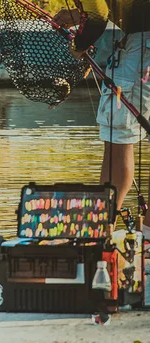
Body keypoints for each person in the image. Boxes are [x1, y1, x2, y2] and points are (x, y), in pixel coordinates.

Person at [54, 0, 150, 233]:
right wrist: (80, 14)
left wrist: (78, 46)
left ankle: (101, 233)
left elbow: (97, 16)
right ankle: (146, 236)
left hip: (143, 50)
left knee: (117, 144)